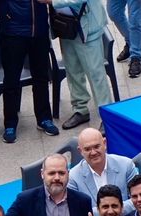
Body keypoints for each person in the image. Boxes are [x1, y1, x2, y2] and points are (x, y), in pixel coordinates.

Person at [0, 0, 56, 142]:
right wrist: (7, 15)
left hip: (39, 30)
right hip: (12, 33)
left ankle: (44, 118)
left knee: (41, 77)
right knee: (11, 79)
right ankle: (10, 123)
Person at [51, 0, 108, 130]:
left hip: (88, 25)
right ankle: (80, 109)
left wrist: (52, 1)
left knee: (96, 74)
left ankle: (106, 117)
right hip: (65, 25)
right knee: (72, 70)